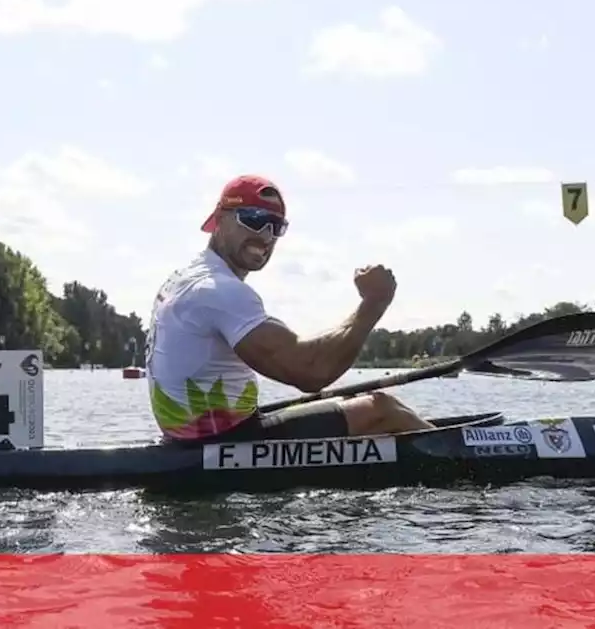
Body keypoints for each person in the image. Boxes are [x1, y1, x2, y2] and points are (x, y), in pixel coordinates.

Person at [146, 174, 434, 444]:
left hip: (196, 439)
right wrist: (374, 303)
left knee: (357, 405)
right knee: (381, 408)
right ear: (220, 220)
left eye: (276, 226)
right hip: (226, 441)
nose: (266, 236)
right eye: (253, 219)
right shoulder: (218, 290)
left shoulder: (182, 279)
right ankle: (467, 460)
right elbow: (311, 372)